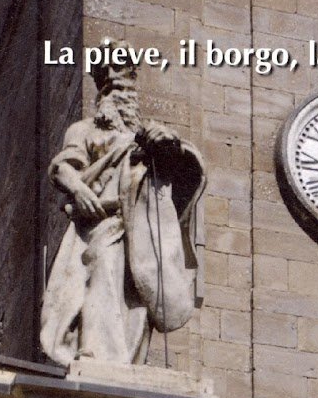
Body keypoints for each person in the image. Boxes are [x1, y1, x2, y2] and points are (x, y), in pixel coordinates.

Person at [40, 41, 205, 366]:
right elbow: (62, 168)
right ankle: (97, 354)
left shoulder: (147, 136)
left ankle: (126, 362)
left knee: (138, 294)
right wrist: (79, 190)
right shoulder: (84, 130)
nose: (118, 81)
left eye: (125, 70)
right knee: (103, 269)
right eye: (111, 71)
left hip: (141, 229)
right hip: (104, 221)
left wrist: (169, 146)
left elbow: (184, 173)